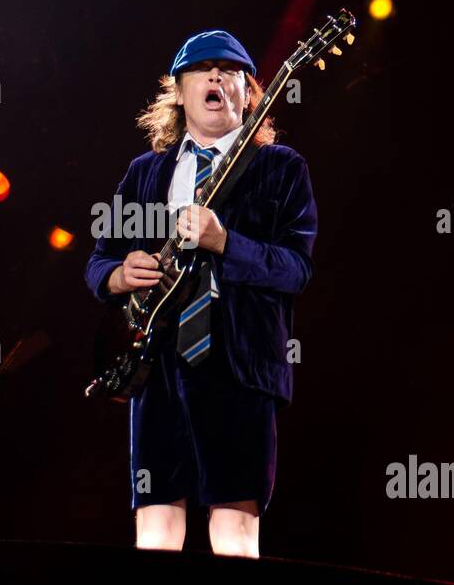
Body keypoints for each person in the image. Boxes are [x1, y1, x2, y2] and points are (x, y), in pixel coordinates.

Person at [84, 30, 317, 558]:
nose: (216, 76)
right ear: (180, 90)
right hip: (157, 364)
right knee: (156, 526)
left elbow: (296, 270)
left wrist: (225, 243)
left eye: (230, 70)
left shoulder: (281, 169)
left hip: (239, 365)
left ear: (248, 92)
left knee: (234, 529)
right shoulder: (147, 173)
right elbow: (98, 262)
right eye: (203, 68)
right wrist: (120, 274)